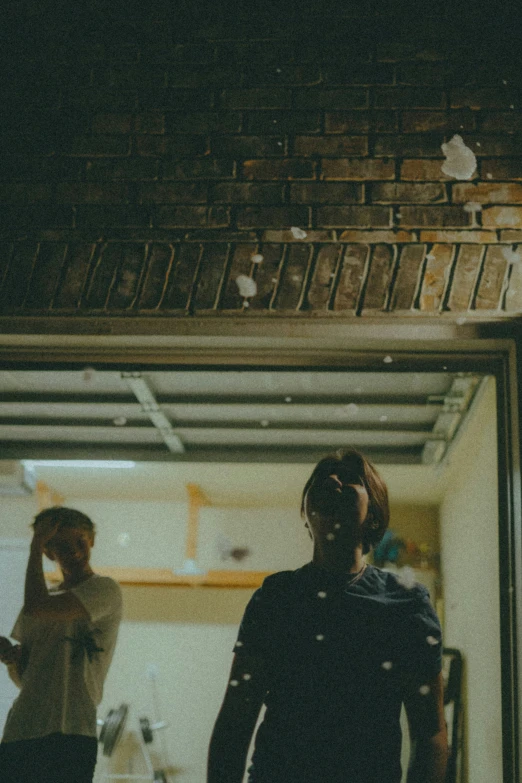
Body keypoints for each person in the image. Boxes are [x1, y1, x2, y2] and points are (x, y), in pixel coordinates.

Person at [207, 448, 448, 783]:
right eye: (322, 478)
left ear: (374, 514)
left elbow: (430, 733)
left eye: (350, 478)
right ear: (306, 513)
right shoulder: (276, 598)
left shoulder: (406, 604)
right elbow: (236, 718)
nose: (332, 481)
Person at [0, 506, 123, 783]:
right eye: (63, 545)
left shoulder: (104, 589)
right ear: (49, 552)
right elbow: (25, 679)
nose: (76, 552)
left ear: (91, 539)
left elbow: (37, 604)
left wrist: (33, 545)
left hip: (73, 730)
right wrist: (11, 659)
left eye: (80, 541)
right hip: (23, 729)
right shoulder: (44, 600)